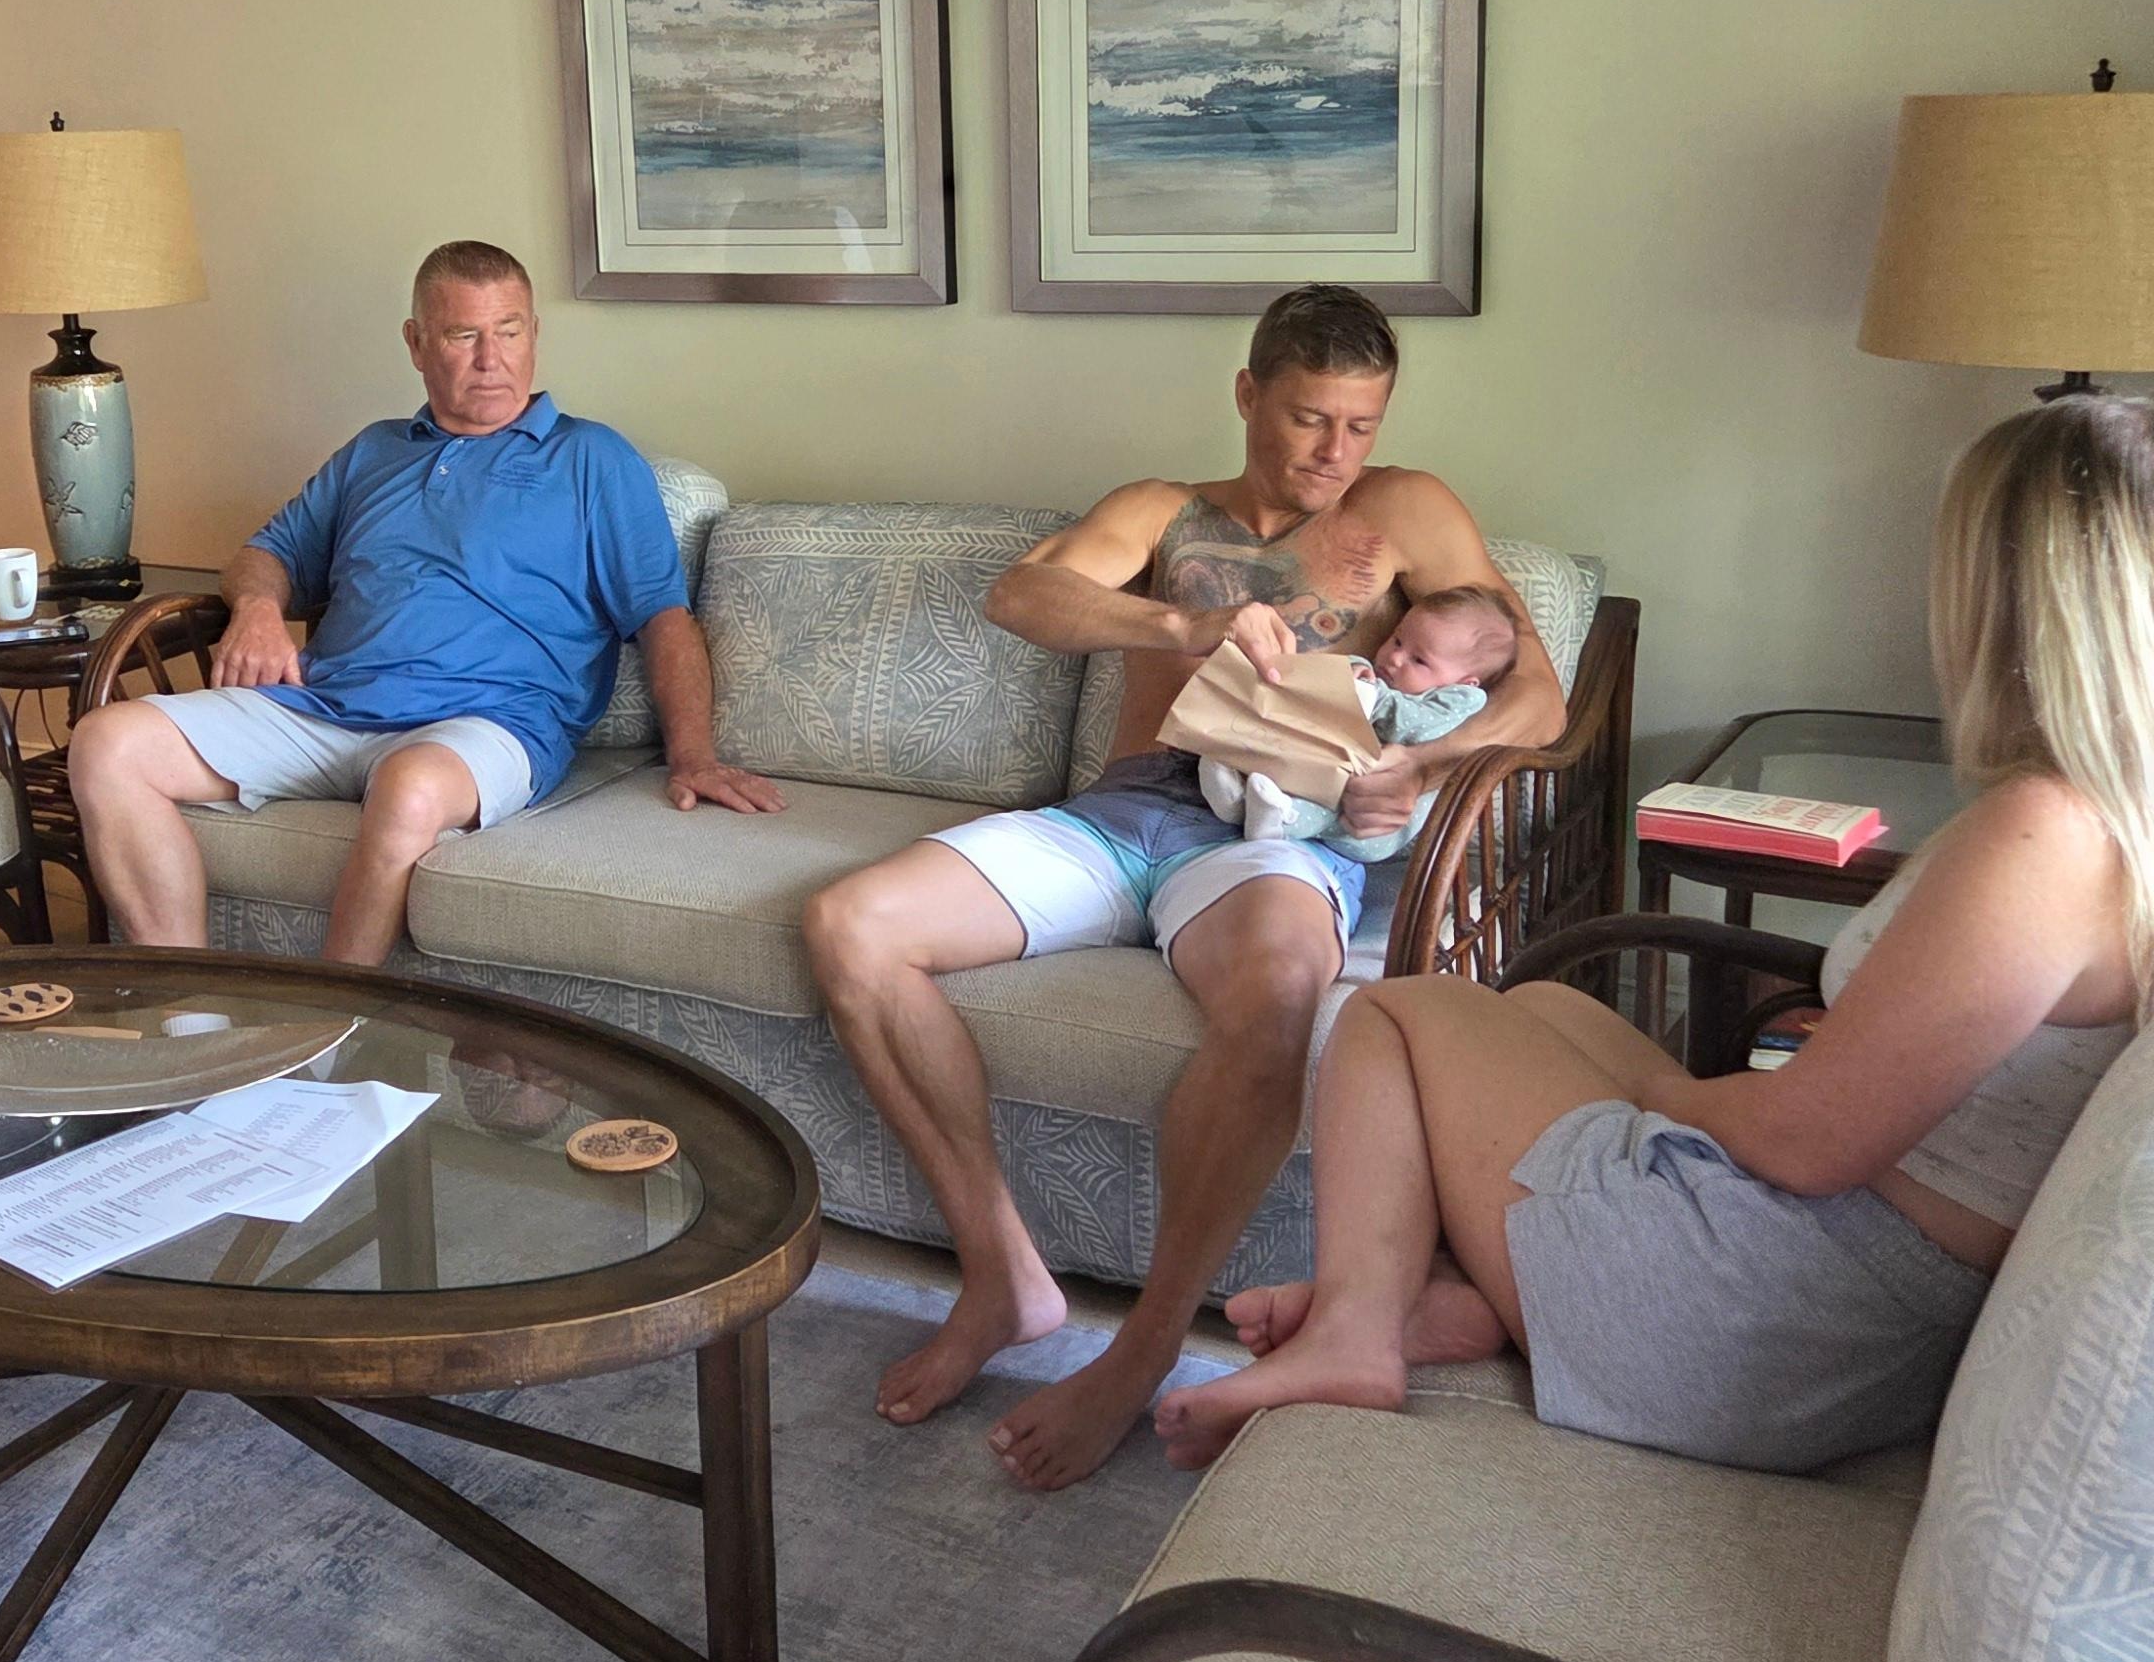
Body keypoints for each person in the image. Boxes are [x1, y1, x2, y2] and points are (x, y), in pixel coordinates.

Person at [1158, 394, 2151, 1476]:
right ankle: (1446, 1295)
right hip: (1841, 1309)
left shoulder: (2041, 832)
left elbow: (1808, 1144)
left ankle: (1355, 1331)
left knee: (1396, 1012)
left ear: (2012, 600)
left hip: (1755, 1319)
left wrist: (1658, 1100)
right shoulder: (2106, 820)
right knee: (1542, 1007)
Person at [802, 284, 1566, 1489]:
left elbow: (1540, 692)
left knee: (1275, 993)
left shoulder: (1407, 511)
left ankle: (1144, 1351)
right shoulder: (1164, 509)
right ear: (1249, 393)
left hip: (1272, 838)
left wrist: (1420, 767)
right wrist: (1183, 625)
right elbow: (1023, 594)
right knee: (851, 924)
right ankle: (1003, 1274)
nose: (1334, 452)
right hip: (1124, 810)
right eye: (1310, 418)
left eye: (1360, 424)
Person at [70, 239, 780, 964]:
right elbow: (265, 554)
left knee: (408, 788)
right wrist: (256, 610)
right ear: (416, 343)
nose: (490, 358)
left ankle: (328, 1047)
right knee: (107, 744)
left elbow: (663, 618)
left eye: (509, 331)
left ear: (535, 334)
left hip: (485, 725)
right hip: (325, 708)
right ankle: (190, 1027)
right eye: (462, 335)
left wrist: (693, 756)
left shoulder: (592, 460)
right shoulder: (374, 452)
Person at [1196, 584, 1519, 864]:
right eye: (1397, 641)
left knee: (1332, 808)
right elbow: (1345, 675)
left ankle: (1282, 820)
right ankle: (1234, 801)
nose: (1394, 658)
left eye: (1419, 660)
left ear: (1466, 682)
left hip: (1369, 823)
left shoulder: (1460, 701)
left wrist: (1373, 697)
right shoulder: (1381, 675)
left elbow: (1415, 727)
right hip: (1327, 767)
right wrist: (1350, 673)